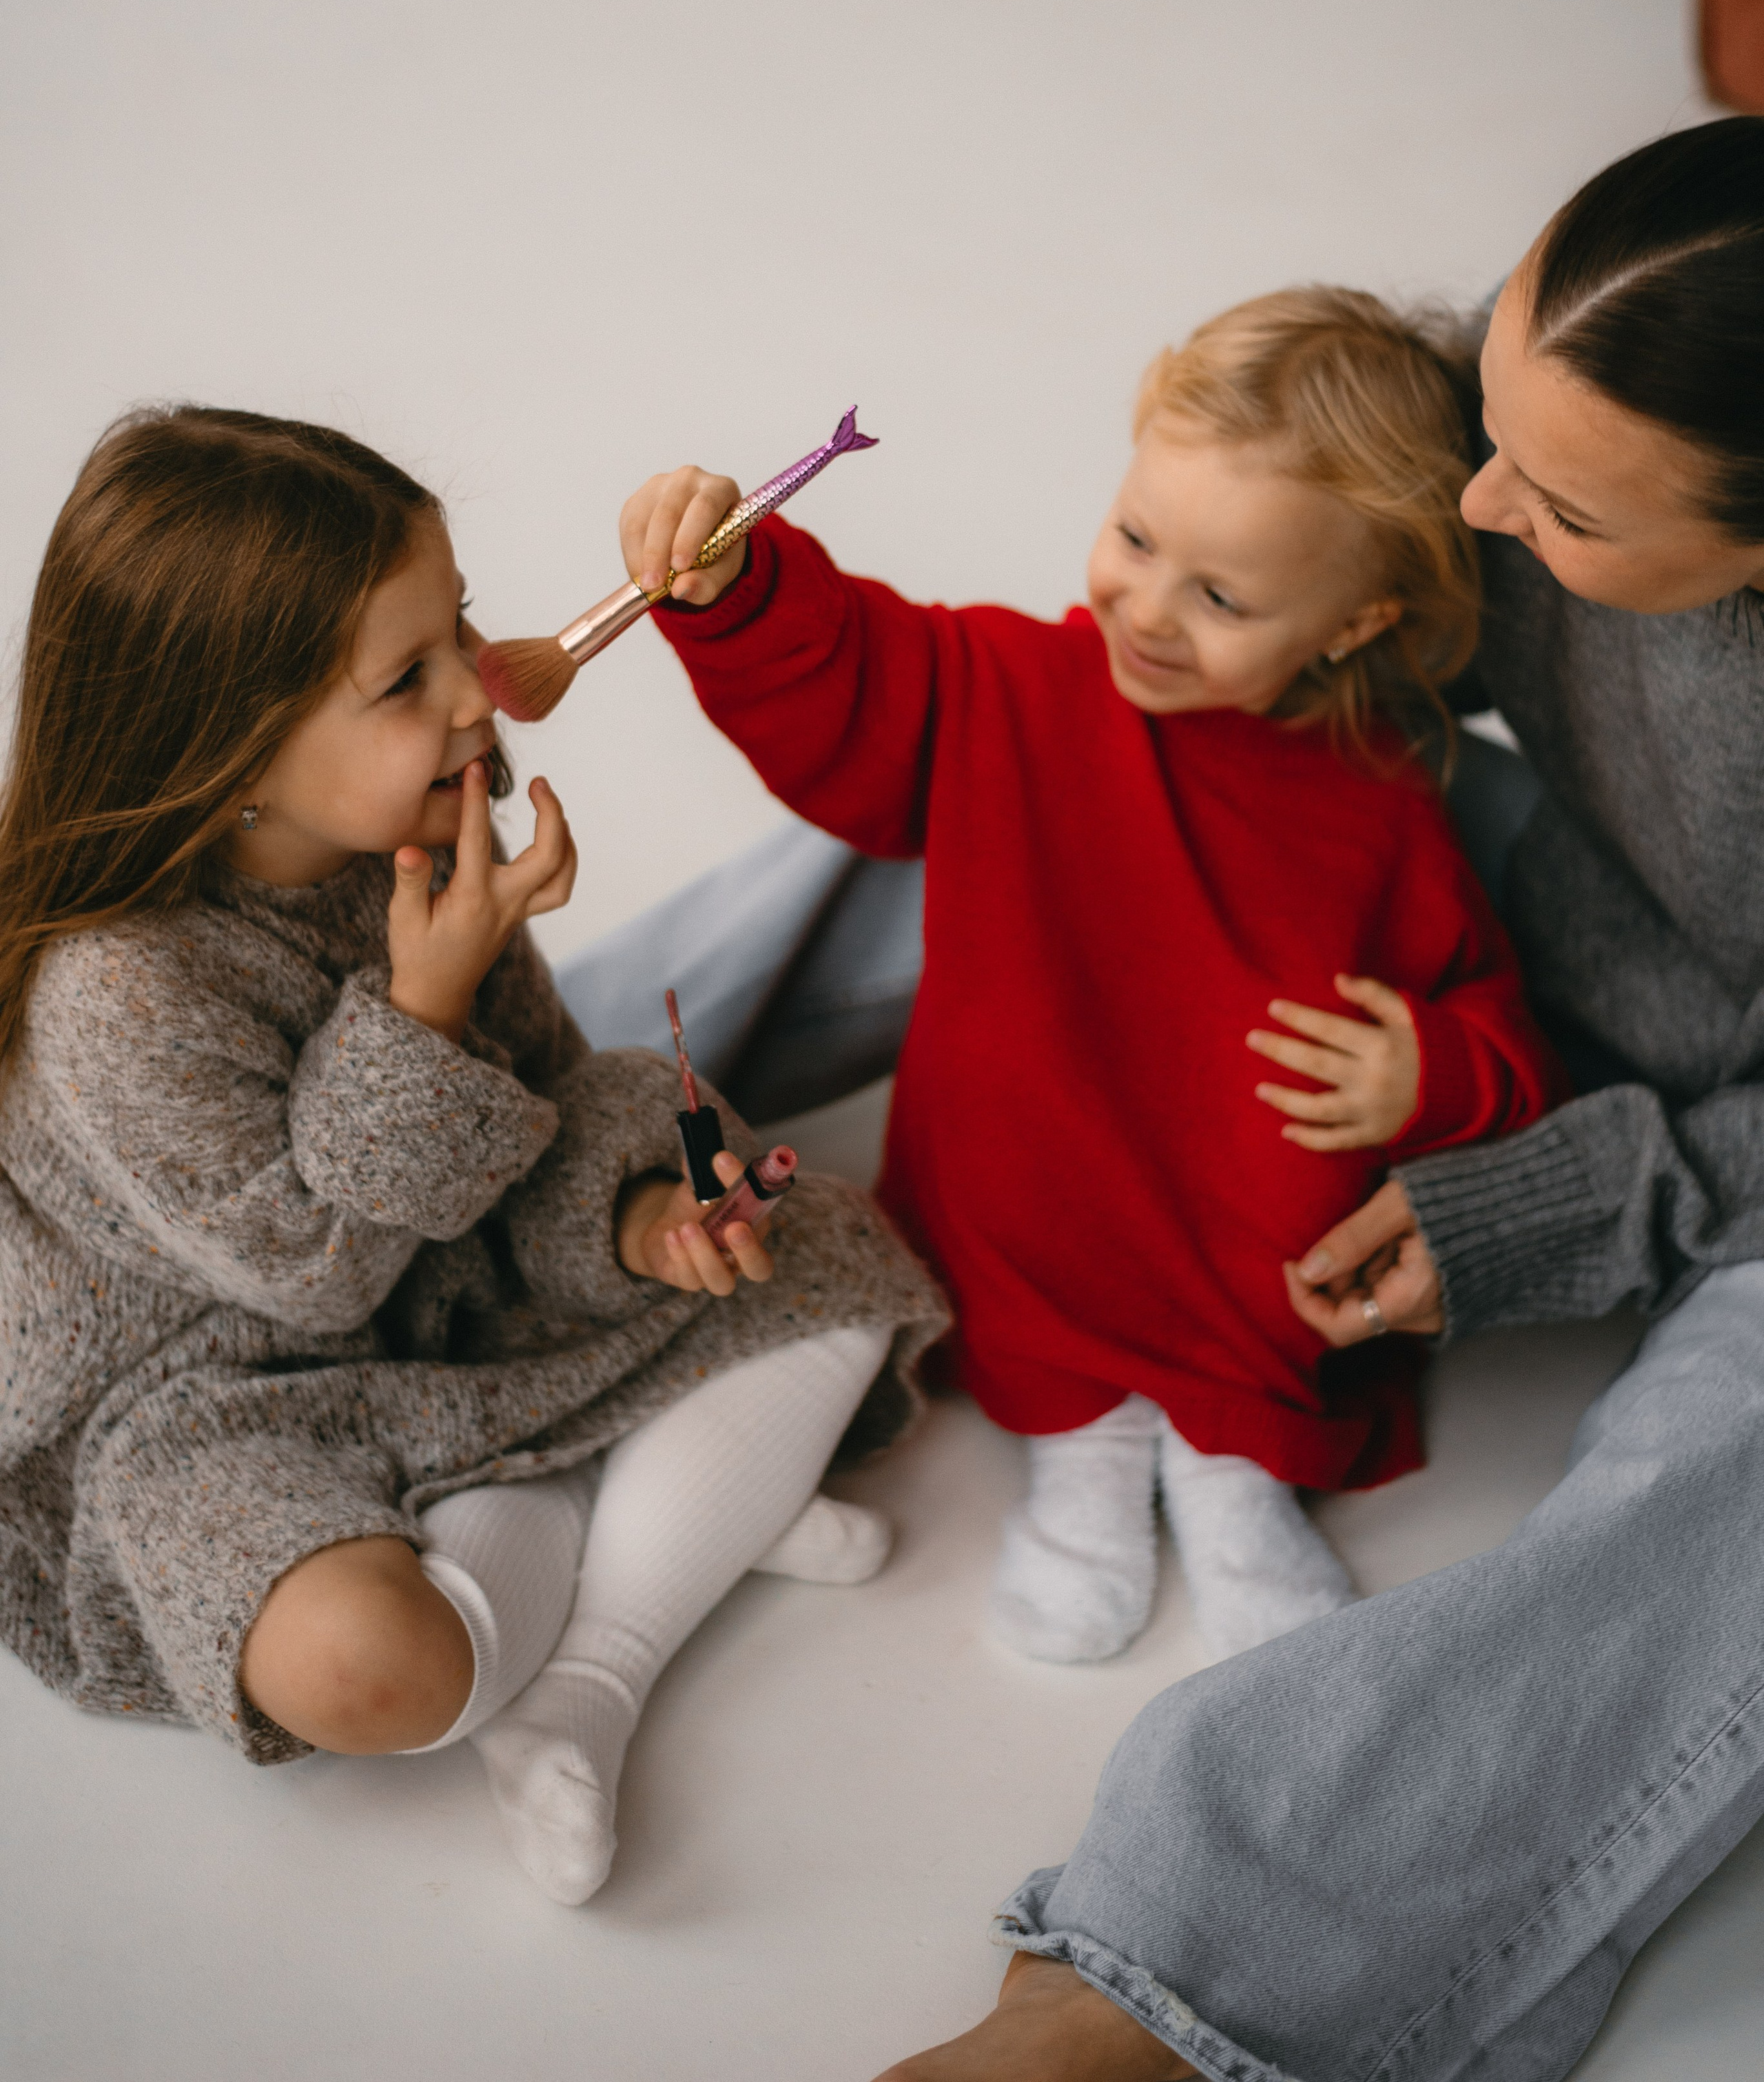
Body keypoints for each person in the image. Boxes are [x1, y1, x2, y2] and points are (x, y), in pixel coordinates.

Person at [861, 115, 1764, 2080]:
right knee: (1042, 743)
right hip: (1562, 916)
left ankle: (1177, 1985)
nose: (1485, 503)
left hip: (1727, 1134)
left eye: (1570, 512)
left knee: (1726, 1486)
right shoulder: (1528, 431)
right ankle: (469, 1050)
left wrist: (1536, 1190)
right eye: (1491, 419)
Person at [0, 407, 945, 1909]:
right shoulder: (120, 991)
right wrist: (426, 997)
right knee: (362, 1666)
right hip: (207, 1400)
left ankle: (593, 1665)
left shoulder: (426, 840)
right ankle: (647, 1511)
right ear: (227, 750)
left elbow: (548, 1118)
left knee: (841, 1265)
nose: (480, 689)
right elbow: (312, 1281)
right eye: (408, 678)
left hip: (453, 1307)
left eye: (460, 626)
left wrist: (640, 1227)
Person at [617, 291, 1562, 1668]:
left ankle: (1230, 1467)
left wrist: (1429, 1065)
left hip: (1238, 1231)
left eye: (1222, 595)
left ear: (1353, 626)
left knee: (1287, 1260)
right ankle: (1086, 1451)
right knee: (1021, 1220)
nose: (1148, 608)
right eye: (1133, 536)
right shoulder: (1013, 682)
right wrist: (741, 585)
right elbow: (855, 692)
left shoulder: (1381, 802)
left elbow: (1501, 1030)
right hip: (1038, 1179)